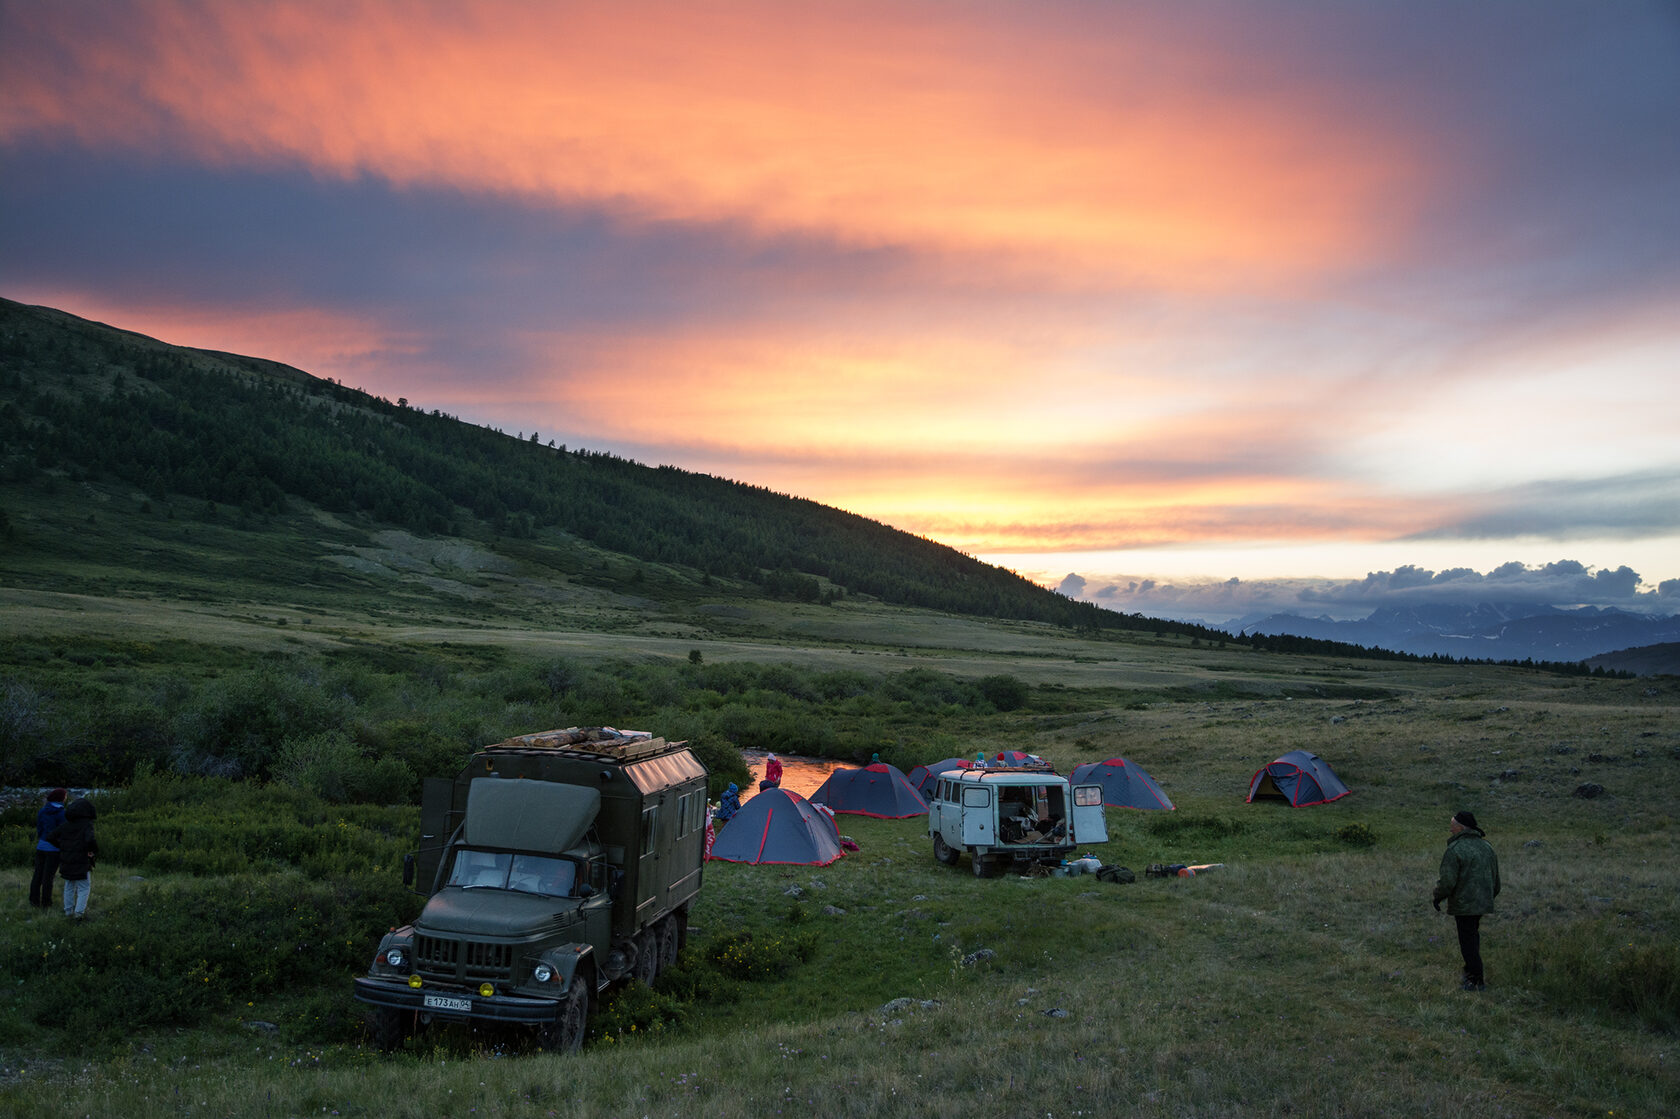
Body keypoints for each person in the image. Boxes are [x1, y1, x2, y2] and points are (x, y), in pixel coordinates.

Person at [1433, 809, 1500, 991]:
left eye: (1452, 826)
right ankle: (1470, 971)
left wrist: (1437, 897)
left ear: (1461, 828)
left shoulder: (1455, 849)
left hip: (1464, 904)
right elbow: (1496, 880)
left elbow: (1447, 881)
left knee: (1467, 941)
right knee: (1472, 936)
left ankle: (1475, 980)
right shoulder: (1487, 847)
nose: (1450, 830)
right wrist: (1488, 896)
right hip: (1483, 902)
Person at [49, 796, 98, 920]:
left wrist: (62, 847)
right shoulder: (87, 825)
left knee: (69, 885)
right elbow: (90, 840)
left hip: (67, 859)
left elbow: (50, 837)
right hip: (81, 860)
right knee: (84, 887)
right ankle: (79, 914)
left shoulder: (66, 825)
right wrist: (92, 851)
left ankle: (68, 912)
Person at [30, 788, 68, 909]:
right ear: (61, 798)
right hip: (54, 849)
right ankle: (46, 903)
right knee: (48, 877)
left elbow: (39, 828)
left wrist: (43, 838)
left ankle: (34, 901)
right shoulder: (62, 813)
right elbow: (63, 831)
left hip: (41, 846)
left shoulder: (42, 811)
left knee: (37, 875)